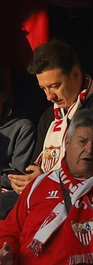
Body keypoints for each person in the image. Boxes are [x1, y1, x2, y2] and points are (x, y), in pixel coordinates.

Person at [0, 113, 93, 265]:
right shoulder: (39, 184)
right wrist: (2, 255)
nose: (89, 149)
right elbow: (9, 231)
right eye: (82, 141)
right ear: (66, 143)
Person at [19, 41, 93, 190]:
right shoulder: (49, 117)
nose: (49, 97)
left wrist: (46, 181)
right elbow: (36, 164)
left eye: (54, 86)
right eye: (43, 88)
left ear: (76, 74)